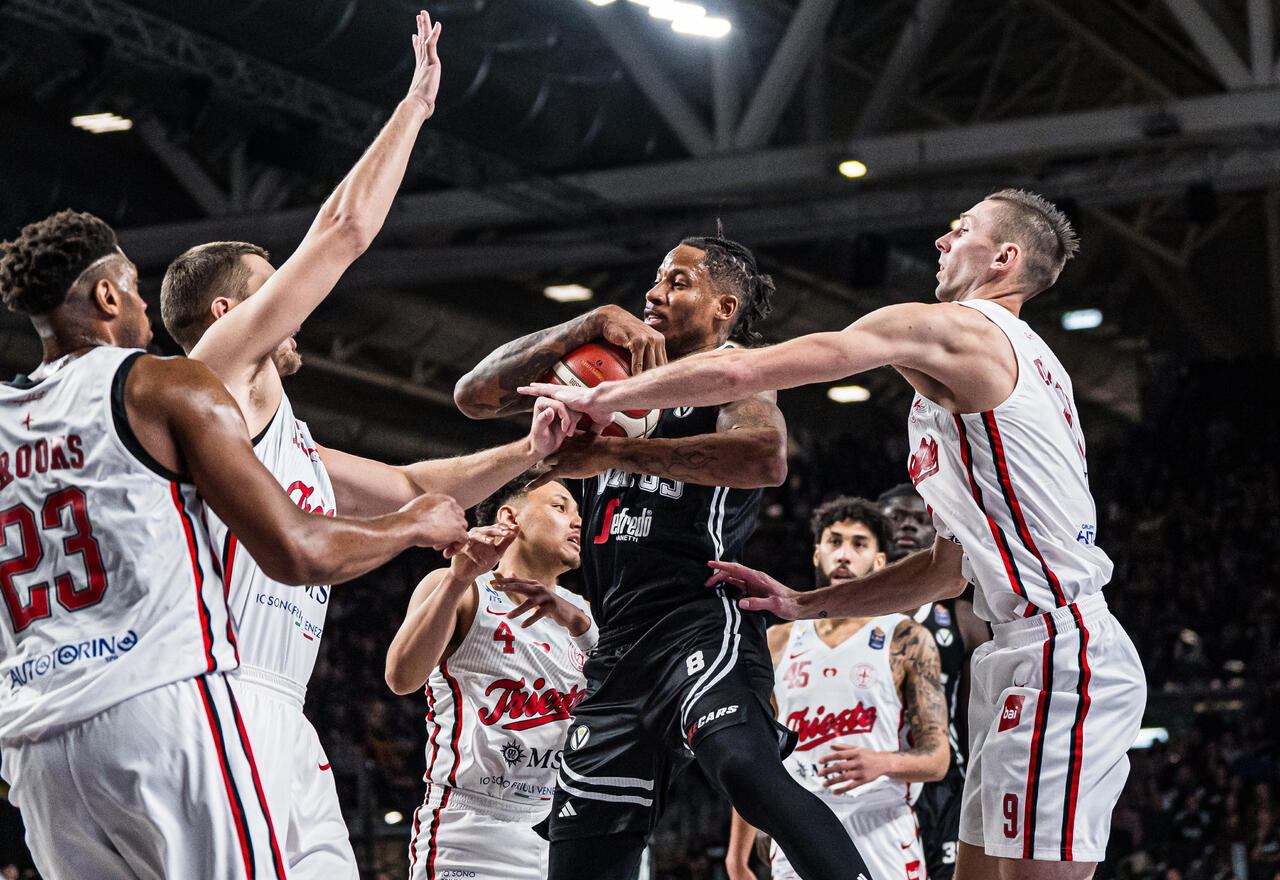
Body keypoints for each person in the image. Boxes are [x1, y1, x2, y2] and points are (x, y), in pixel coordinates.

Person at [524, 190, 1147, 880]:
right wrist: (804, 604)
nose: (941, 242)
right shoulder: (989, 376)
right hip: (1017, 653)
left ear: (1005, 258)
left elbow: (746, 368)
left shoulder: (965, 330)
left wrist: (602, 398)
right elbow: (948, 569)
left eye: (960, 229)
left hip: (1060, 649)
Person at [158, 13, 574, 878]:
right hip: (214, 698)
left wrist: (532, 448)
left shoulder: (285, 442)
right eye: (275, 291)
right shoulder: (208, 383)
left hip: (278, 710)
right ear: (230, 317)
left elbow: (415, 480)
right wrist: (415, 109)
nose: (295, 303)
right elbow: (341, 233)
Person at [0, 209, 468, 879]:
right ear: (106, 296)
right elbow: (298, 551)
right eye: (132, 287)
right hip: (158, 703)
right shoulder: (154, 383)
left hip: (33, 743)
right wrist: (413, 526)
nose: (143, 306)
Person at [454, 235, 874, 880]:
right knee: (584, 855)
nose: (653, 294)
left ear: (723, 308)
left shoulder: (734, 371)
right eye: (656, 280)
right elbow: (473, 396)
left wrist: (615, 455)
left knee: (743, 767)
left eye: (678, 282)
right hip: (617, 642)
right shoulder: (608, 366)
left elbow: (765, 456)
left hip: (696, 617)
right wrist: (585, 323)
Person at [385, 471, 596, 880]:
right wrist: (456, 578)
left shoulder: (583, 613)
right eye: (560, 507)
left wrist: (580, 624)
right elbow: (400, 676)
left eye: (577, 513)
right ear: (510, 518)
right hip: (473, 830)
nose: (577, 521)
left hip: (563, 827)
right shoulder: (463, 589)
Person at [726, 496, 948, 880]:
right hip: (799, 822)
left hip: (880, 825)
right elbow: (757, 754)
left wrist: (884, 762)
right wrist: (736, 857)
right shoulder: (777, 641)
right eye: (834, 542)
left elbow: (937, 759)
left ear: (880, 562)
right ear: (816, 553)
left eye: (859, 544)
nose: (844, 554)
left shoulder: (906, 638)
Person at [879, 483, 990, 880]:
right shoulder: (841, 612)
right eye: (896, 517)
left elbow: (978, 718)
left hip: (942, 782)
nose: (908, 526)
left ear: (938, 531)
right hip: (870, 776)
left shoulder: (965, 616)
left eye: (920, 519)